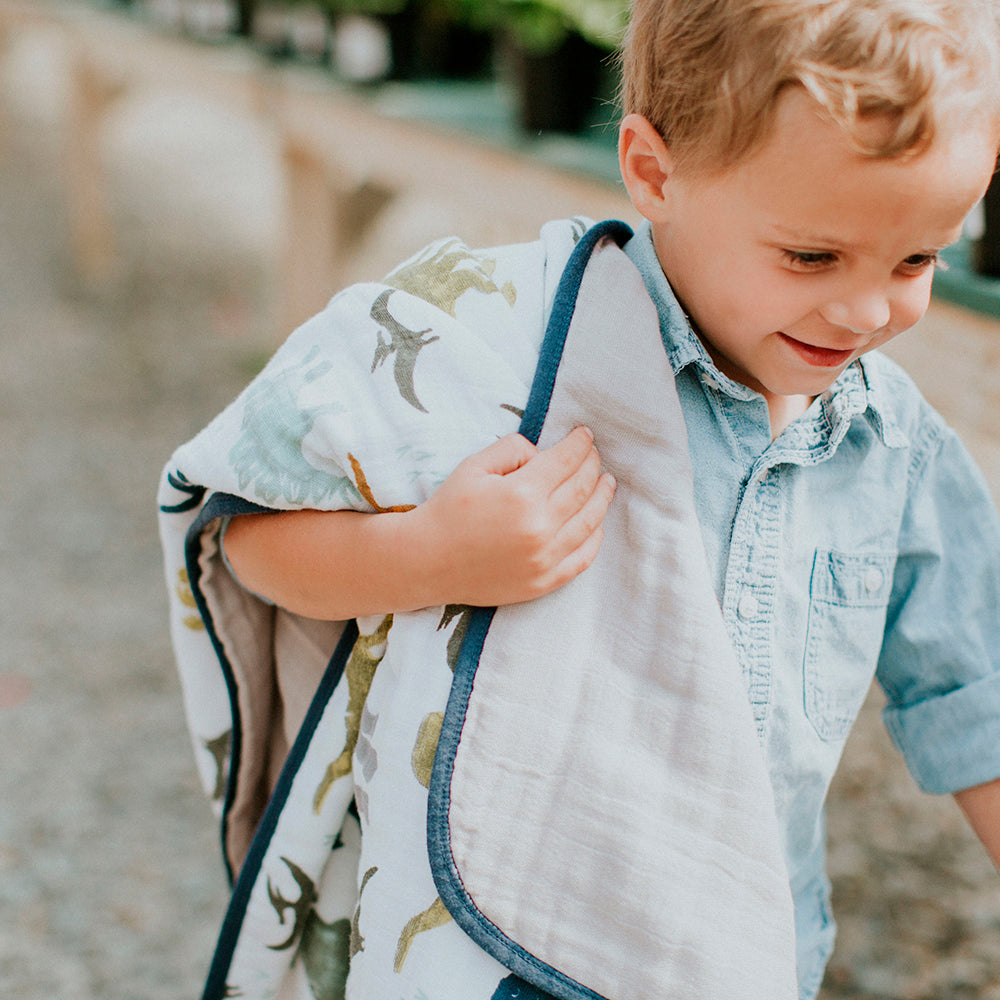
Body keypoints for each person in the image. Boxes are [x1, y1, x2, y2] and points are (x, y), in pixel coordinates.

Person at [160, 2, 1000, 998]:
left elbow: (975, 694)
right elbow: (244, 535)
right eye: (809, 257)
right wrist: (430, 552)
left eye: (916, 259)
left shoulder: (887, 442)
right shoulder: (482, 345)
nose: (867, 311)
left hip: (738, 954)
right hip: (490, 951)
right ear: (652, 172)